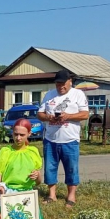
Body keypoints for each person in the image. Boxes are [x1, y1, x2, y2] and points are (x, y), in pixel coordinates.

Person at [37, 69, 89, 207]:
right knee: (50, 168)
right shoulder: (49, 95)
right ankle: (52, 195)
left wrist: (68, 116)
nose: (60, 87)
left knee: (71, 169)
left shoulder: (78, 94)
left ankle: (71, 196)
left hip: (70, 140)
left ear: (70, 81)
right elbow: (39, 114)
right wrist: (48, 117)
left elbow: (85, 114)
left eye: (63, 84)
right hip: (50, 139)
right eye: (57, 84)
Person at [0, 118, 42, 194]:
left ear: (29, 134)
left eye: (22, 135)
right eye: (16, 134)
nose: (18, 138)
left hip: (28, 193)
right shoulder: (5, 152)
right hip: (8, 192)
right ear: (12, 133)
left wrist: (37, 175)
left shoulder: (33, 152)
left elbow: (38, 182)